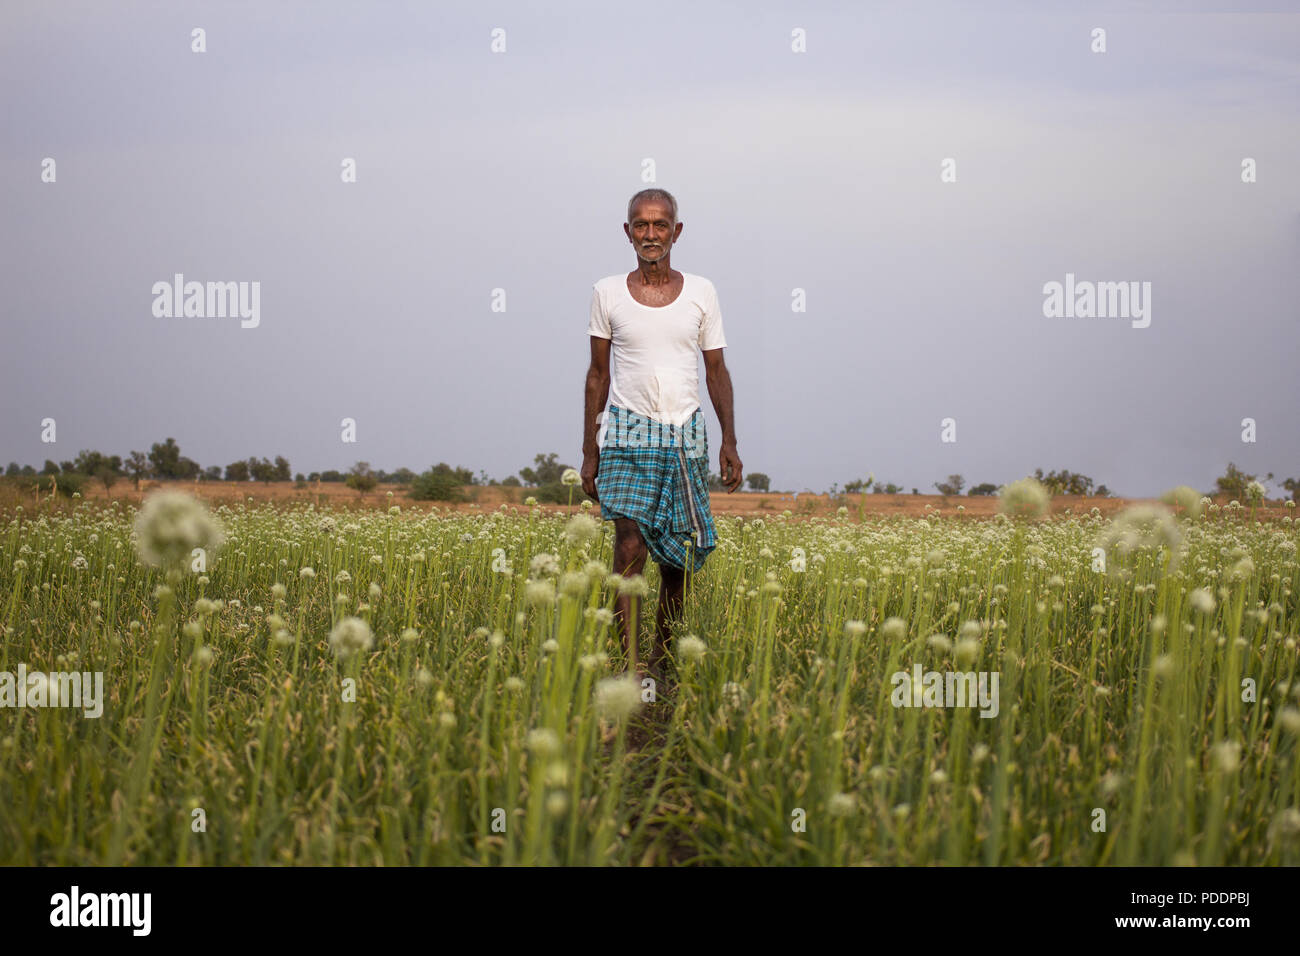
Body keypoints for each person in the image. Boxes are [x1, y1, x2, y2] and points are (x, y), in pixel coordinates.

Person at [581, 188, 743, 682]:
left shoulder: (701, 292)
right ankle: (629, 670)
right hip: (627, 429)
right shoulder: (607, 292)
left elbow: (716, 370)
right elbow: (597, 375)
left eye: (659, 224)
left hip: (684, 432)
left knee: (677, 557)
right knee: (628, 545)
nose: (650, 234)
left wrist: (729, 440)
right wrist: (590, 452)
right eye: (640, 225)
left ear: (676, 231)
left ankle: (663, 658)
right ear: (627, 232)